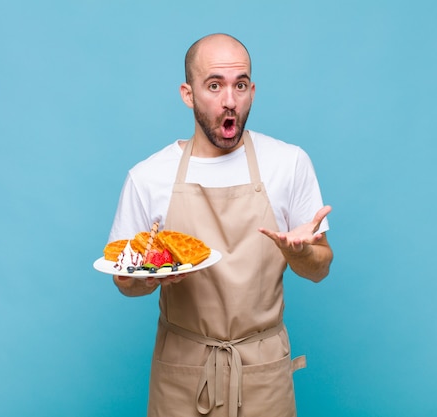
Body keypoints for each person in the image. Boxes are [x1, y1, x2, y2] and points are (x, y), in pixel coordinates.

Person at [107, 33, 333, 417]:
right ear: (187, 93)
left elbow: (320, 268)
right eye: (214, 85)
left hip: (262, 372)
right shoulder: (148, 176)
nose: (230, 100)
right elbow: (124, 281)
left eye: (240, 85)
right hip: (183, 370)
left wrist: (301, 253)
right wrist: (147, 278)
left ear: (252, 90)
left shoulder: (288, 163)